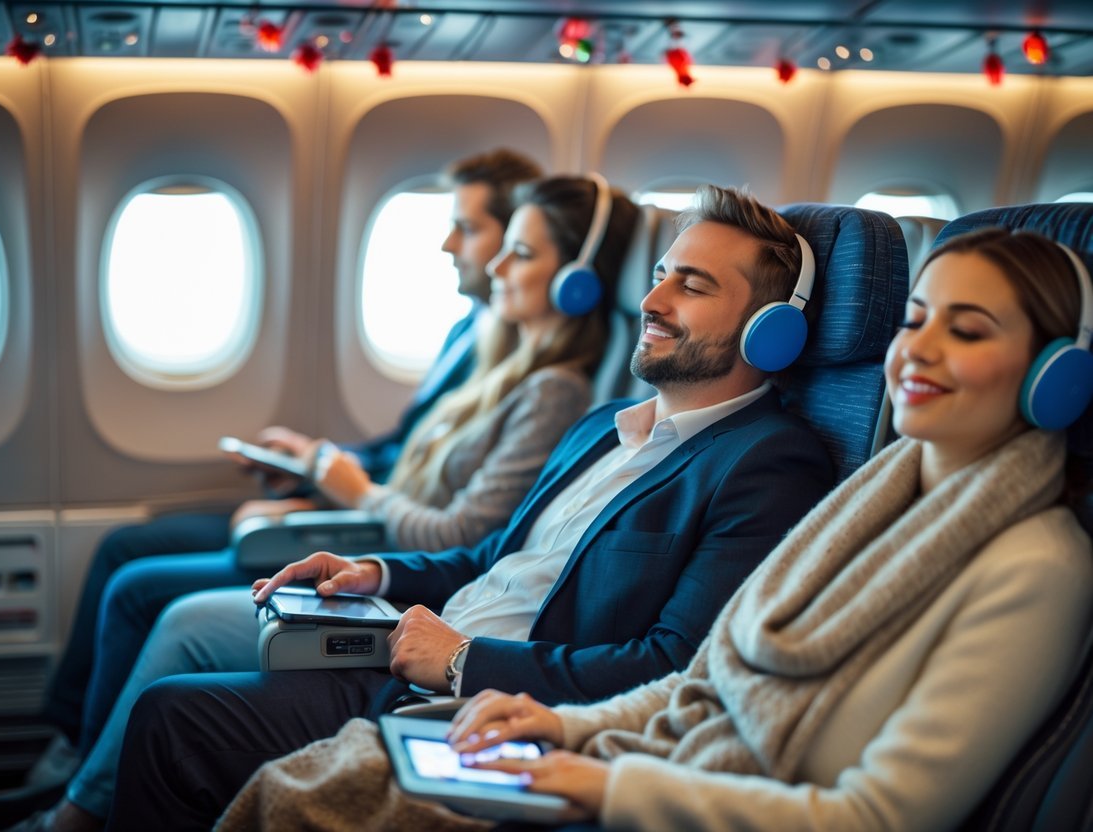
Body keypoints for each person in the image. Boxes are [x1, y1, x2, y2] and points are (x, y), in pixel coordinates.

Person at [226, 227, 1093, 832]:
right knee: (299, 782)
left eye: (967, 329)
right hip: (661, 755)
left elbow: (872, 816)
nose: (919, 350)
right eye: (913, 320)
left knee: (297, 787)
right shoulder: (869, 502)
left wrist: (605, 782)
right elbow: (708, 680)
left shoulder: (1035, 565)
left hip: (687, 794)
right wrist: (558, 728)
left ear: (1057, 376)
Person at [102, 184, 837, 831]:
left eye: (692, 285)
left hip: (483, 703)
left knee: (174, 720)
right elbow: (491, 558)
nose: (650, 301)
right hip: (414, 656)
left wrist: (461, 662)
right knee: (173, 703)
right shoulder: (601, 426)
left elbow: (675, 666)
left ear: (767, 329)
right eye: (657, 275)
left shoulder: (768, 464)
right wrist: (374, 574)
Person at [25, 173, 642, 832]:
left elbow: (472, 534)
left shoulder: (558, 395)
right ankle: (76, 783)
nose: (490, 265)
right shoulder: (493, 357)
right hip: (381, 552)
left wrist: (349, 495)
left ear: (577, 279)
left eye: (518, 252)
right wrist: (319, 474)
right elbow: (411, 464)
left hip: (405, 570)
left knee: (158, 606)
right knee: (141, 576)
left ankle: (74, 807)